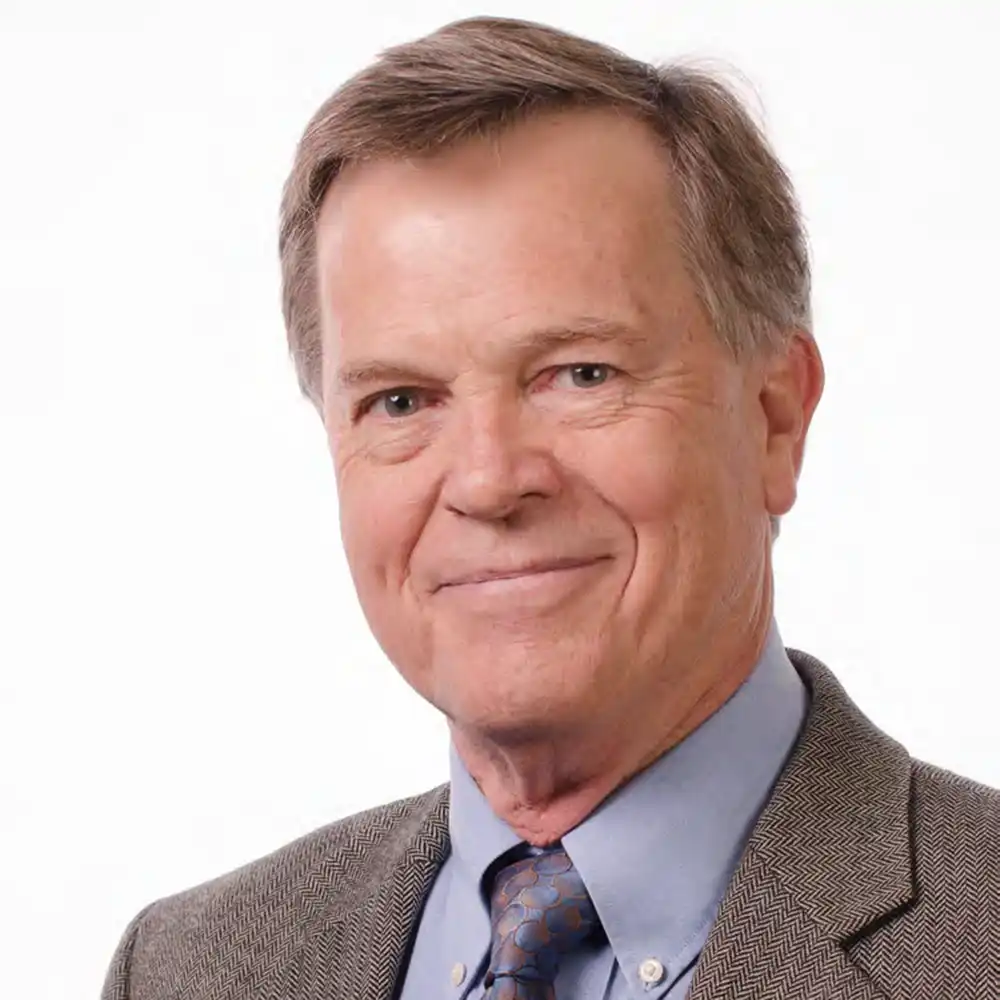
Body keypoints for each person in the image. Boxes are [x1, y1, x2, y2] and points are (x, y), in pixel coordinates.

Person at [101, 15, 999, 1000]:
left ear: (774, 419)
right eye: (401, 401)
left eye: (579, 373)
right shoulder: (192, 969)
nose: (488, 480)